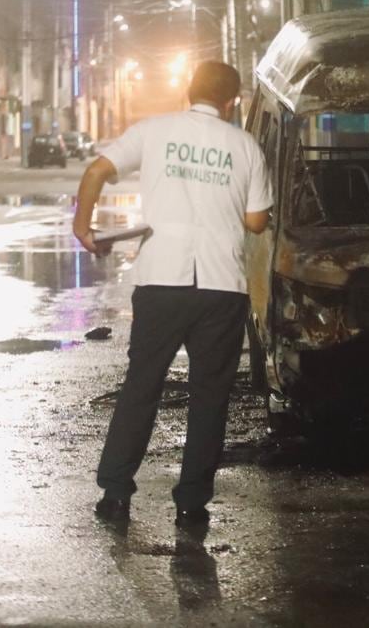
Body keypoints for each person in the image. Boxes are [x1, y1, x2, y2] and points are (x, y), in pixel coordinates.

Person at [73, 61, 272, 530]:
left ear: (188, 91)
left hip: (161, 279)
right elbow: (257, 221)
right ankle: (191, 503)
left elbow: (97, 170)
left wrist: (83, 226)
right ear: (232, 101)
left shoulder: (155, 131)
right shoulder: (245, 146)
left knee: (142, 385)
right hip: (222, 285)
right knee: (210, 395)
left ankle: (117, 493)